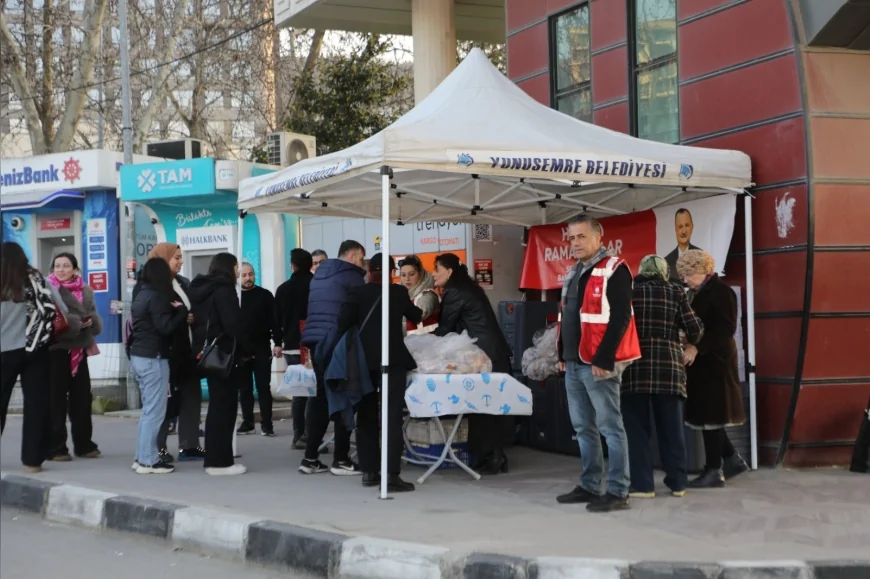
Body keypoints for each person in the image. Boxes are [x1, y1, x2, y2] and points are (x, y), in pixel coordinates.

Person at [556, 214, 641, 513]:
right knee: (583, 427)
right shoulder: (574, 271)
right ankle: (590, 485)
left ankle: (619, 490)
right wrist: (562, 355)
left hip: (597, 363)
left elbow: (621, 317)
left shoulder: (614, 269)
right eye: (571, 238)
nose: (575, 243)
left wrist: (604, 358)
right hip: (574, 362)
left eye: (581, 236)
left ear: (598, 238)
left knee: (610, 427)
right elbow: (568, 317)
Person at [621, 255, 704, 498]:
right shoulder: (676, 292)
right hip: (669, 369)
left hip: (634, 366)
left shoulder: (630, 293)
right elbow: (695, 329)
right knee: (672, 429)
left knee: (637, 430)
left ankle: (643, 485)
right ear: (665, 272)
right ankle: (678, 483)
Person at [338, 253, 422, 492]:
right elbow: (416, 316)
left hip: (363, 362)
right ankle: (392, 475)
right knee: (392, 416)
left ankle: (369, 471)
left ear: (368, 270)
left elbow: (342, 323)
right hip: (392, 361)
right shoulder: (397, 293)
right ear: (391, 271)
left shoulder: (357, 293)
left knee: (365, 416)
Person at [432, 252, 513, 476]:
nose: (433, 274)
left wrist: (423, 343)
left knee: (485, 408)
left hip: (487, 357)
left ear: (449, 271)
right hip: (490, 354)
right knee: (485, 407)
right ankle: (489, 456)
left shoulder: (456, 292)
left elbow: (445, 328)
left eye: (437, 269)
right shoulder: (467, 287)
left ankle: (494, 457)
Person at [677, 250, 748, 488]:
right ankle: (732, 460)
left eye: (686, 274)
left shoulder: (721, 292)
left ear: (701, 270)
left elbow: (725, 329)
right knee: (707, 415)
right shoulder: (694, 293)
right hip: (702, 364)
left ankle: (713, 470)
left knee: (712, 415)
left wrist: (698, 348)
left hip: (716, 363)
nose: (684, 280)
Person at [299, 240, 367, 476]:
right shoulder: (352, 276)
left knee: (319, 397)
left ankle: (309, 458)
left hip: (316, 342)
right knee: (343, 396)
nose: (362, 264)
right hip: (338, 343)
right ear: (352, 256)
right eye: (361, 259)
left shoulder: (319, 275)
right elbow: (358, 313)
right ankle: (341, 459)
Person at [137, 243, 204, 464]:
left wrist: (190, 317)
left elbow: (184, 310)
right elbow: (161, 320)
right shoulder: (150, 287)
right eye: (176, 257)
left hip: (187, 350)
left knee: (191, 396)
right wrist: (180, 316)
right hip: (165, 353)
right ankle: (159, 449)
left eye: (181, 257)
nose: (180, 261)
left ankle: (190, 445)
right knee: (163, 404)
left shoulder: (181, 283)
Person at [188, 253, 251, 476]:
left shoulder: (203, 288)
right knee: (225, 408)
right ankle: (219, 462)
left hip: (208, 353)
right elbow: (233, 324)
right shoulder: (224, 290)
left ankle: (215, 459)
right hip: (225, 354)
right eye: (236, 267)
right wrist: (246, 349)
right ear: (231, 267)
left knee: (217, 406)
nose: (238, 272)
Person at [129, 258, 190, 474]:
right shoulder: (156, 297)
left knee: (148, 412)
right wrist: (181, 313)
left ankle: (141, 457)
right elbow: (165, 328)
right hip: (154, 358)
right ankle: (149, 460)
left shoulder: (141, 294)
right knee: (155, 412)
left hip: (139, 356)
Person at [0, 242, 57, 473]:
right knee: (36, 404)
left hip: (3, 351)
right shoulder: (36, 280)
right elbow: (56, 307)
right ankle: (33, 461)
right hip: (35, 349)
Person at [46, 252, 102, 462]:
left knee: (82, 399)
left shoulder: (86, 291)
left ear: (75, 269)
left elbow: (94, 316)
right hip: (57, 350)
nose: (61, 270)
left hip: (80, 350)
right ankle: (56, 447)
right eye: (57, 265)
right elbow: (48, 321)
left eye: (66, 266)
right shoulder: (48, 290)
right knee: (56, 400)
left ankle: (84, 443)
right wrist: (76, 323)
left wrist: (91, 322)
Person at [275, 248, 314, 449]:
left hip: (291, 346)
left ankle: (298, 435)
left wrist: (278, 342)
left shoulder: (283, 289)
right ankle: (311, 434)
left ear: (293, 265)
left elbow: (276, 320)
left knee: (299, 392)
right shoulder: (317, 286)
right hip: (315, 344)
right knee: (314, 391)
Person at [238, 263, 282, 437]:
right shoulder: (235, 297)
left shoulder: (265, 296)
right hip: (241, 350)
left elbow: (275, 321)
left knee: (264, 388)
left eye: (251, 274)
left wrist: (278, 342)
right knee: (245, 389)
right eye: (244, 275)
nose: (248, 278)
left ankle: (267, 424)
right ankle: (248, 423)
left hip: (262, 347)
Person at [398, 254, 439, 334]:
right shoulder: (404, 294)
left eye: (412, 274)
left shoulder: (427, 295)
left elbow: (420, 314)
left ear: (420, 274)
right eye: (403, 275)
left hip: (428, 343)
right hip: (414, 343)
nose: (407, 279)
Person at [665, 208, 701, 284]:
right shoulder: (666, 262)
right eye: (680, 227)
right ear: (675, 229)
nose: (684, 231)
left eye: (687, 225)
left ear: (692, 227)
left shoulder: (701, 257)